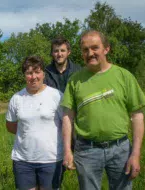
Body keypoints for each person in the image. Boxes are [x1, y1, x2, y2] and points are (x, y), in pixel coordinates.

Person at [61, 30, 145, 190]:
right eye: (85, 50)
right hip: (87, 150)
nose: (90, 53)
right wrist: (67, 151)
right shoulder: (74, 81)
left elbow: (137, 116)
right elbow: (67, 117)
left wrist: (135, 154)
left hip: (120, 149)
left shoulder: (124, 76)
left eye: (94, 48)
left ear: (106, 49)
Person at [6, 56, 64, 190]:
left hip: (51, 159)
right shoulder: (17, 98)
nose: (34, 77)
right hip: (23, 160)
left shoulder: (56, 96)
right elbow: (10, 125)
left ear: (43, 74)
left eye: (37, 72)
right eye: (29, 73)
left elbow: (65, 124)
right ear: (24, 76)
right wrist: (29, 132)